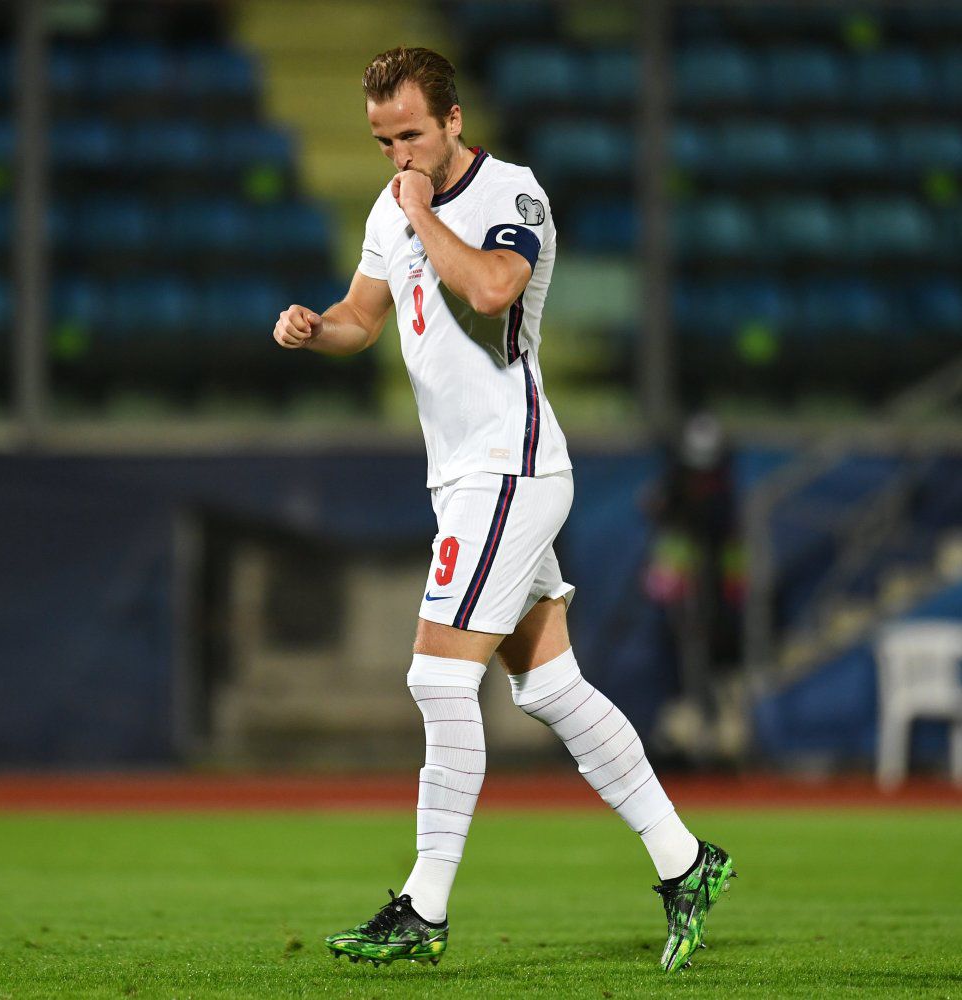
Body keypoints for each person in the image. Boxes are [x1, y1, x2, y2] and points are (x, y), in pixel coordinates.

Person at [273, 46, 735, 974]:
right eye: (381, 140)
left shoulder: (511, 193)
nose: (396, 154)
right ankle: (687, 862)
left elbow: (492, 289)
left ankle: (423, 909)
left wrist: (419, 215)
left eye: (410, 134)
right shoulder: (391, 203)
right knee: (551, 687)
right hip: (463, 475)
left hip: (508, 465)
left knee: (438, 682)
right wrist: (317, 329)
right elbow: (365, 316)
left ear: (451, 120)